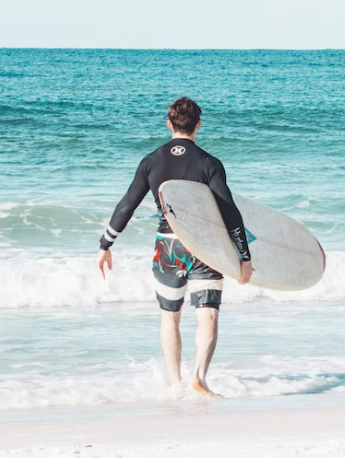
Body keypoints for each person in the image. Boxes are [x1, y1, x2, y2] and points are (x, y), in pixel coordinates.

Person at [96, 97, 254, 396]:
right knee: (207, 313)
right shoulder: (210, 163)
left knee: (170, 315)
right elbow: (230, 211)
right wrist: (244, 256)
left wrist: (106, 243)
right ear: (198, 125)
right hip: (204, 248)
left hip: (167, 248)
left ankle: (175, 382)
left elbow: (128, 204)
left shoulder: (151, 161)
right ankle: (199, 378)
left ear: (169, 123)